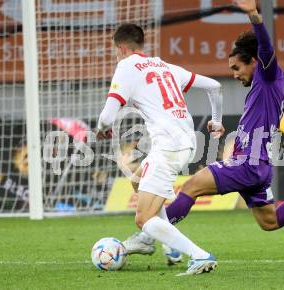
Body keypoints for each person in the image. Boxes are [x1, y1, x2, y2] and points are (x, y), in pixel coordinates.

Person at [124, 0, 284, 272]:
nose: (234, 75)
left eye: (237, 68)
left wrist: (253, 15)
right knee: (269, 221)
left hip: (246, 163)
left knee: (191, 187)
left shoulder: (268, 77)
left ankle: (146, 237)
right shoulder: (271, 90)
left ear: (254, 62)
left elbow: (266, 48)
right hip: (258, 167)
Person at [96, 23, 225, 275]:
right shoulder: (164, 66)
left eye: (115, 50)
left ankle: (199, 255)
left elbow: (107, 116)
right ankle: (169, 245)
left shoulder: (126, 66)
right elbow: (215, 86)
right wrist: (217, 120)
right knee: (137, 179)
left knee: (143, 219)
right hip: (185, 142)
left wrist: (101, 128)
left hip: (168, 146)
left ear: (120, 47)